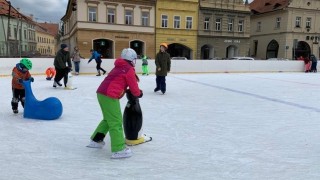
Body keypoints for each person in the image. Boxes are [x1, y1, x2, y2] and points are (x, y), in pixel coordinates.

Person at [87, 48, 143, 159]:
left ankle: (96, 140)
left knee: (108, 119)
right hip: (109, 95)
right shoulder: (128, 69)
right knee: (116, 121)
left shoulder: (119, 66)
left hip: (101, 93)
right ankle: (118, 149)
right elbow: (133, 87)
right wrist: (138, 93)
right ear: (132, 59)